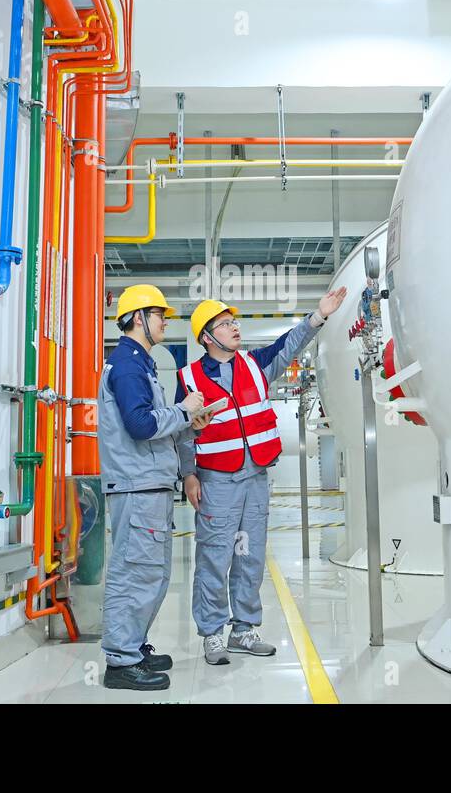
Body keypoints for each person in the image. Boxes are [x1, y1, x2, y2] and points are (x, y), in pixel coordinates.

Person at [177, 287, 347, 665]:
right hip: (216, 481)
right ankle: (212, 634)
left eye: (234, 322)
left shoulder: (255, 365)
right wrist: (189, 475)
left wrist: (317, 316)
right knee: (213, 558)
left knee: (249, 555)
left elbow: (289, 345)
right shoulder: (188, 377)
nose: (235, 328)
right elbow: (184, 432)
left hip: (255, 478)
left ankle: (244, 630)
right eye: (225, 324)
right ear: (207, 337)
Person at [98, 283, 210, 691]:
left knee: (153, 573)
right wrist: (182, 410)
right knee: (135, 573)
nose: (164, 321)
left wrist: (184, 419)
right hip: (136, 485)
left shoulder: (140, 364)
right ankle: (120, 660)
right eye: (159, 314)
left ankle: (133, 645)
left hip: (149, 485)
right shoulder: (127, 366)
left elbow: (152, 421)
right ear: (138, 318)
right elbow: (141, 425)